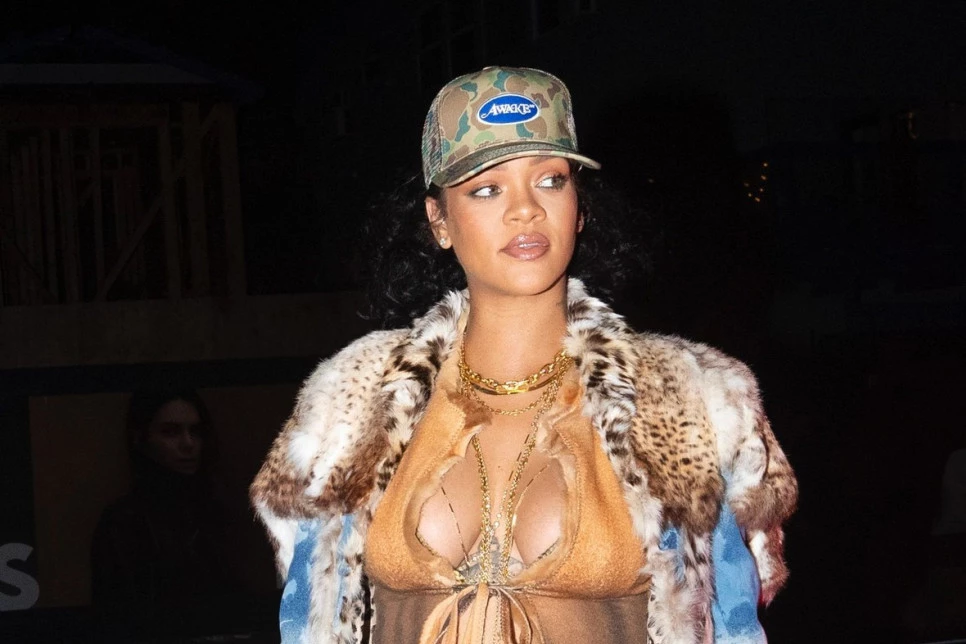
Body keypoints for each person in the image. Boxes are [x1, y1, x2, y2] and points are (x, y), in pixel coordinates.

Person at [250, 66, 797, 644]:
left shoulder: (686, 398)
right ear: (439, 221)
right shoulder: (353, 402)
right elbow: (308, 621)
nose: (526, 209)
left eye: (550, 180)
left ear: (579, 208)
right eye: (487, 189)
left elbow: (733, 625)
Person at [91, 389, 236, 640]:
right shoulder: (124, 522)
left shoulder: (214, 515)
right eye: (170, 432)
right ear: (141, 439)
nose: (188, 443)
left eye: (195, 432)